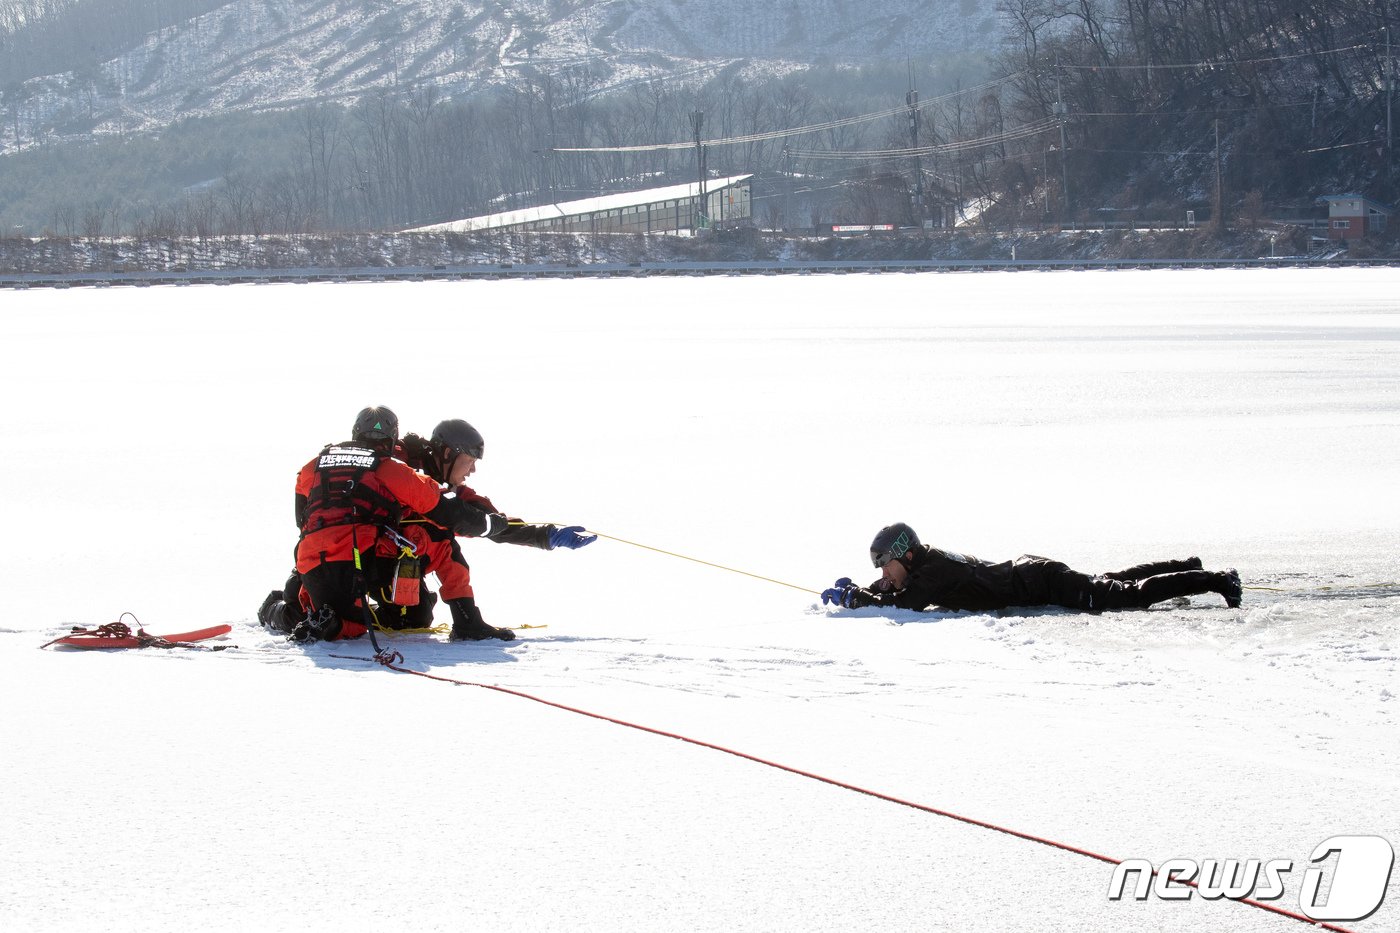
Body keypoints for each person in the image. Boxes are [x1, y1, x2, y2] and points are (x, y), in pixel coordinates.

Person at [258, 406, 511, 642]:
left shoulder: (314, 465)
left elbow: (301, 518)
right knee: (440, 541)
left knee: (332, 616)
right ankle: (467, 622)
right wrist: (489, 524)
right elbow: (445, 510)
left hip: (311, 562)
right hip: (362, 562)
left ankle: (284, 612)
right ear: (392, 439)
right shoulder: (389, 468)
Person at [379, 418, 594, 642]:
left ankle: (378, 611)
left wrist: (547, 536)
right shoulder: (401, 464)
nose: (473, 469)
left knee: (415, 618)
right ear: (447, 454)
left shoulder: (450, 487)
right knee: (441, 539)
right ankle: (467, 622)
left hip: (392, 561)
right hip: (363, 557)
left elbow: (491, 523)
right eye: (470, 460)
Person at [821, 522, 1242, 614]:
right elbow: (900, 592)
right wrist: (869, 588)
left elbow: (908, 604)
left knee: (1120, 597)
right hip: (1031, 575)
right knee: (1111, 580)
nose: (884, 572)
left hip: (1036, 580)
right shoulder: (926, 565)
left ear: (906, 554)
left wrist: (858, 598)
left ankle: (1216, 579)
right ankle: (1187, 565)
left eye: (885, 564)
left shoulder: (931, 572)